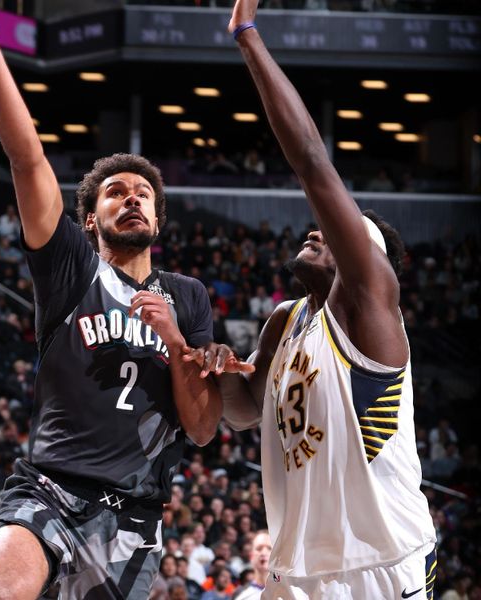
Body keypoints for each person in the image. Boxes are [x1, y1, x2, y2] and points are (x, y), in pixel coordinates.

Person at [0, 1, 227, 597]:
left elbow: (200, 428)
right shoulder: (71, 265)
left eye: (143, 193)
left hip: (134, 516)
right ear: (89, 219)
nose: (132, 199)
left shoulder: (189, 296)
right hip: (49, 487)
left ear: (158, 218)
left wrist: (175, 341)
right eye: (115, 193)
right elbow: (26, 156)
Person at [187, 1, 437, 597]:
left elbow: (311, 161)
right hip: (297, 569)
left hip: (382, 559)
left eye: (339, 235)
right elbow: (247, 412)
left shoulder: (373, 309)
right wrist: (218, 366)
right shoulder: (284, 321)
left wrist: (247, 37)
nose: (316, 231)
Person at [232, 530, 271, 600]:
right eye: (259, 548)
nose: (264, 553)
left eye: (269, 548)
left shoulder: (288, 592)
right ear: (251, 556)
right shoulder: (240, 594)